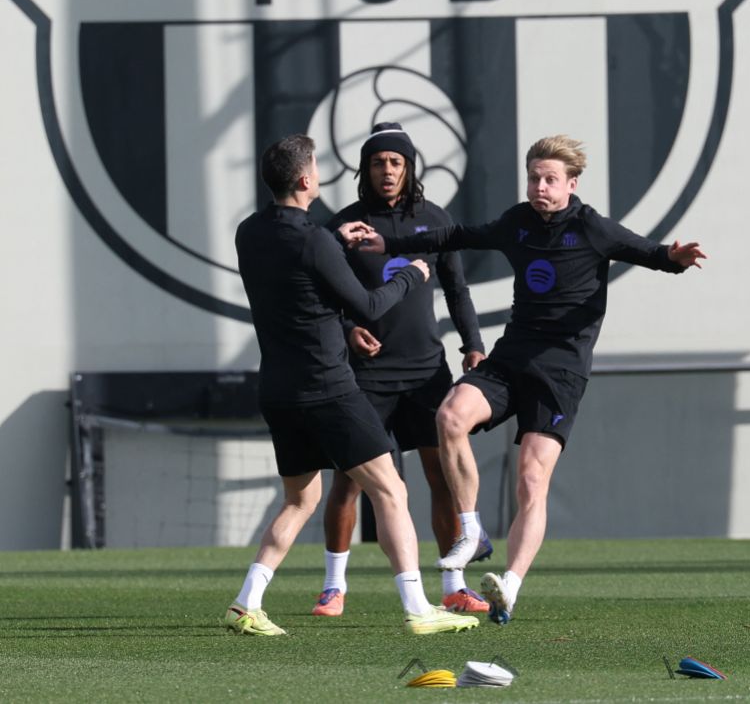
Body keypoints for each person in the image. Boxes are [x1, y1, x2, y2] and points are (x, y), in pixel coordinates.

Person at [340, 134, 706, 625]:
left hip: (560, 372)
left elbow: (646, 250)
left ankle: (509, 584)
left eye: (550, 179)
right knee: (449, 416)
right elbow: (455, 237)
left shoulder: (591, 226)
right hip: (512, 358)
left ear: (571, 183)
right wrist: (391, 243)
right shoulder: (518, 223)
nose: (539, 186)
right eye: (534, 177)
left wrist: (673, 258)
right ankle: (470, 529)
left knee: (532, 480)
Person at [226, 133, 479, 637]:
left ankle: (246, 601)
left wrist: (334, 246)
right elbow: (365, 307)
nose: (320, 174)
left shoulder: (249, 232)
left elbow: (298, 267)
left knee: (299, 500)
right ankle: (417, 608)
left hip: (277, 390)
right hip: (328, 388)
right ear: (304, 179)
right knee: (390, 490)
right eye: (316, 167)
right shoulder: (318, 237)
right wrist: (409, 274)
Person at [312, 122, 489, 620]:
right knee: (350, 482)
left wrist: (473, 345)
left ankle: (453, 583)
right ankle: (333, 586)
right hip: (365, 376)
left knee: (441, 477)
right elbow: (323, 296)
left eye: (396, 162)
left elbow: (457, 289)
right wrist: (348, 330)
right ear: (364, 170)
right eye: (378, 162)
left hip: (425, 371)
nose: (387, 171)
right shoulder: (343, 226)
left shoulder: (434, 221)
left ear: (409, 168)